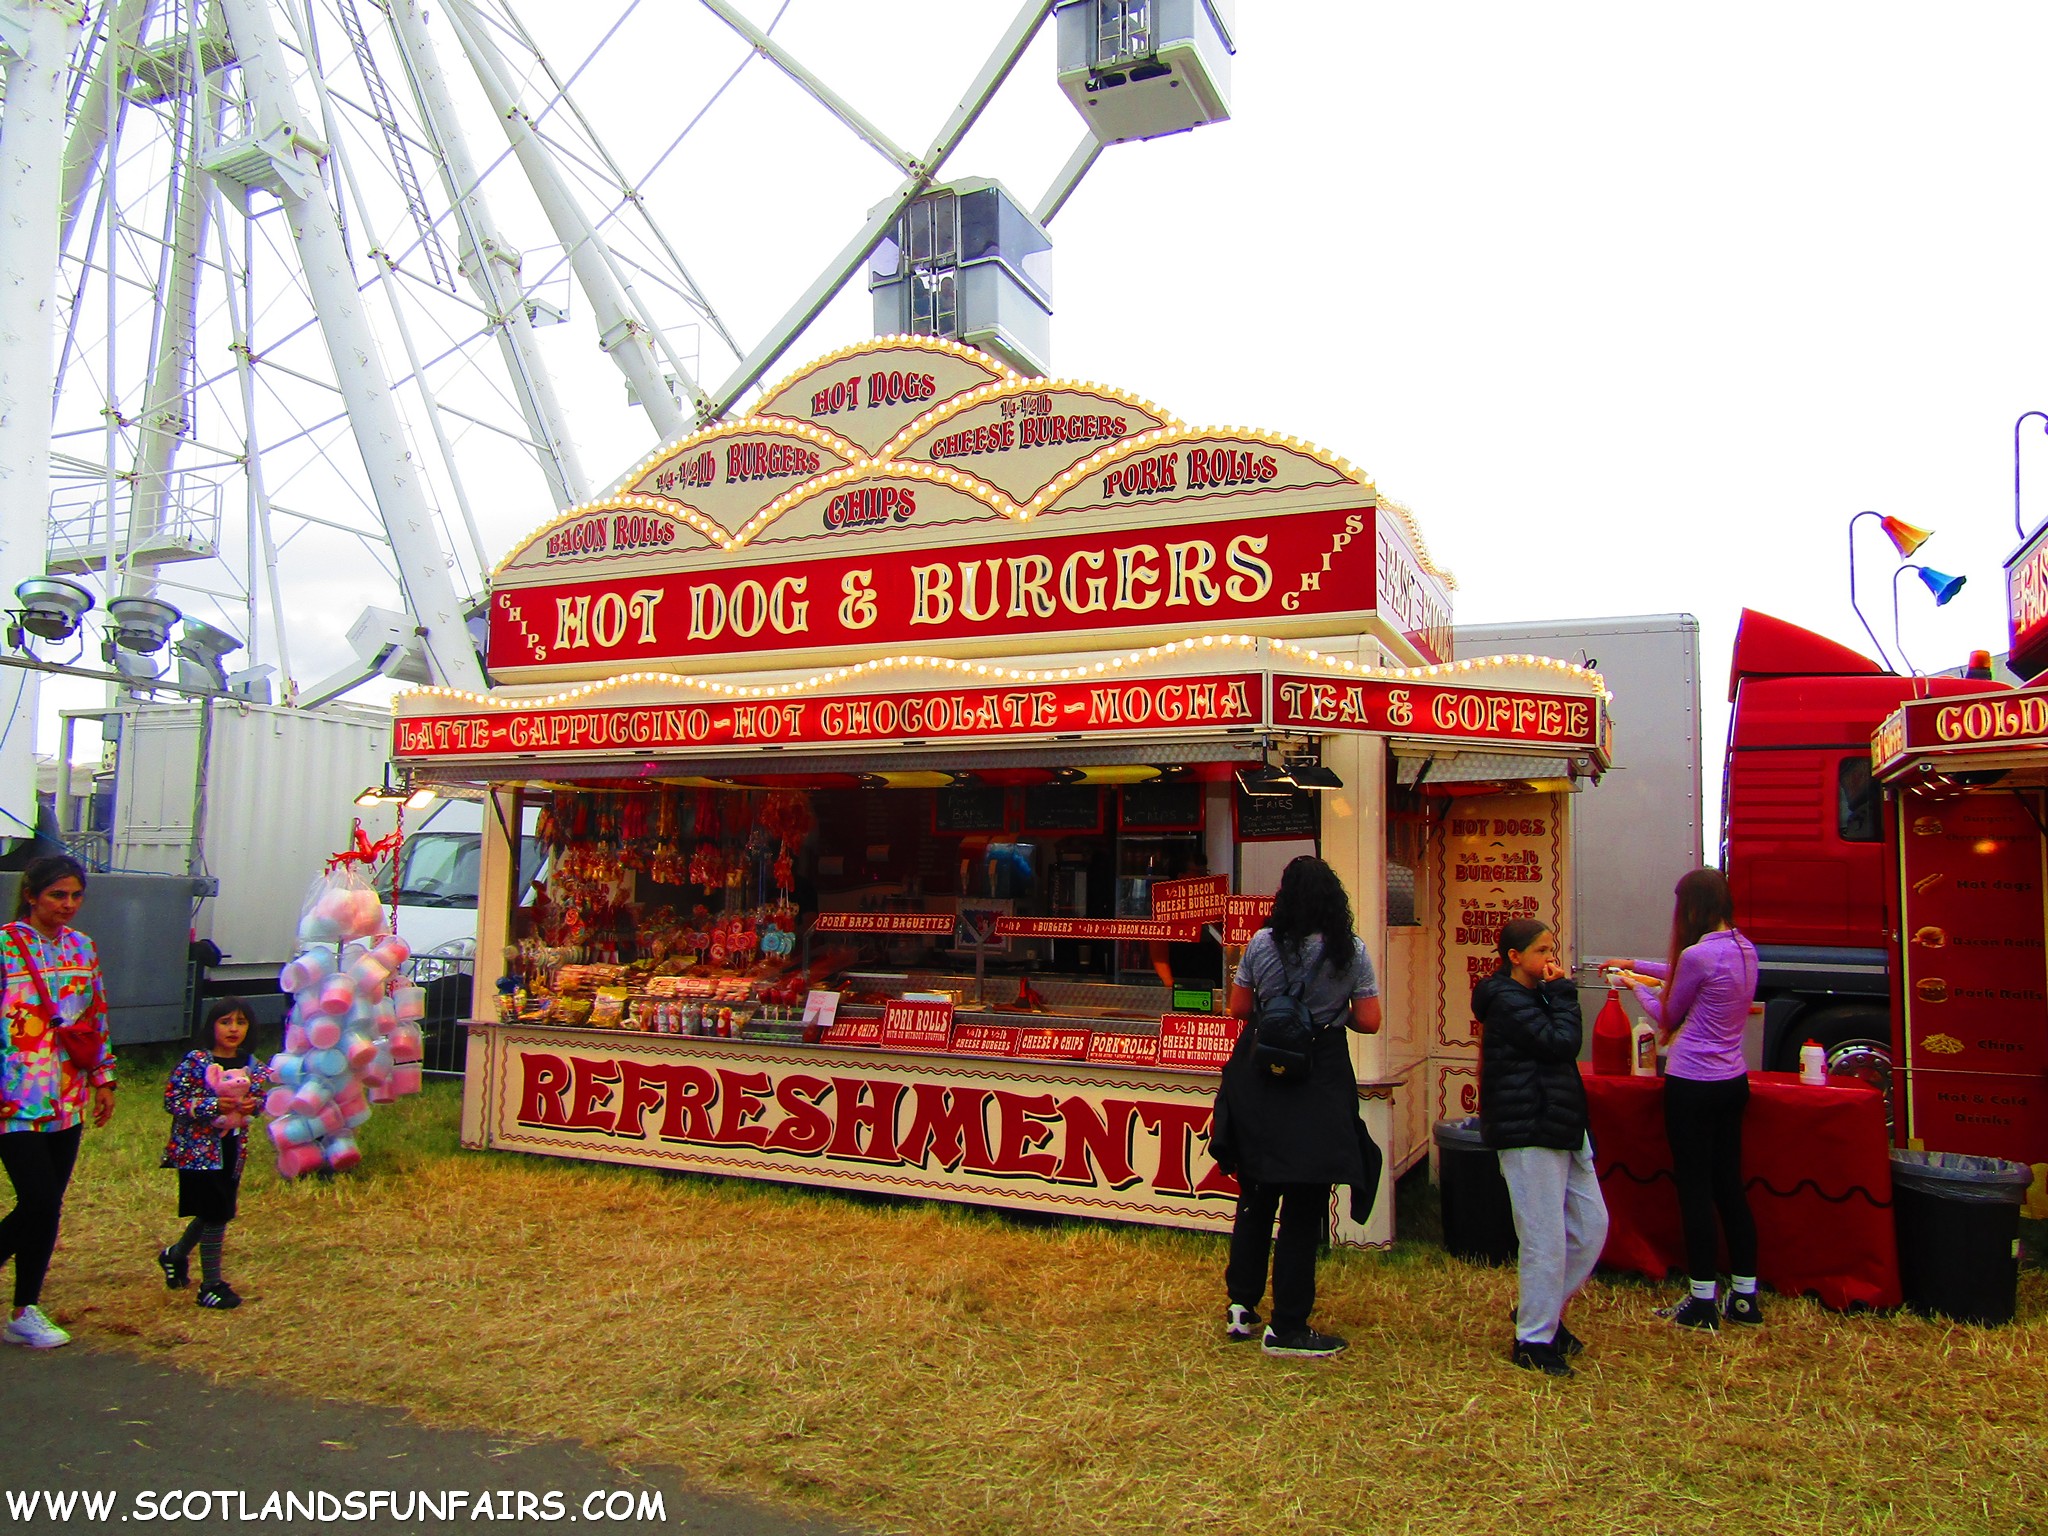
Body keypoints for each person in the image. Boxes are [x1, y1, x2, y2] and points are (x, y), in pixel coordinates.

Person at [1211, 855, 1381, 1359]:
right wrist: (1329, 1015)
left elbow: (1238, 1009)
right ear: (1334, 900)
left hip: (1260, 1078)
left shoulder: (1261, 943)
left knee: (1256, 1192)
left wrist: (1277, 1010)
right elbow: (1369, 1021)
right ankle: (1288, 1325)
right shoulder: (1350, 951)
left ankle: (1241, 1307)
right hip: (1319, 1080)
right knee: (1304, 1204)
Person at [1613, 868, 1762, 1329]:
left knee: (1695, 1189)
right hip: (1732, 1081)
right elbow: (1681, 973)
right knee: (1729, 1187)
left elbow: (1669, 1013)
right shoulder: (1745, 948)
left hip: (1692, 1084)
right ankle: (1744, 1296)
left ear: (1691, 907)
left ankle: (1701, 1299)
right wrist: (1637, 965)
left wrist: (1633, 986)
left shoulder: (1698, 955)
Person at [1475, 917, 1607, 1379]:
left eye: (1553, 949)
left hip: (1559, 1124)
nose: (1551, 959)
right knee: (1544, 1240)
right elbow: (1562, 1043)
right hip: (1528, 1129)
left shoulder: (1533, 995)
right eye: (1542, 951)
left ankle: (1542, 1316)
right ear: (1515, 957)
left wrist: (1555, 994)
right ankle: (1533, 1339)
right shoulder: (1506, 999)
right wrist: (1565, 994)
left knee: (1591, 1227)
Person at [0, 855, 117, 1348]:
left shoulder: (83, 948)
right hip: (12, 1096)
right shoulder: (6, 945)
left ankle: (26, 1308)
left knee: (48, 1209)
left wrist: (103, 1078)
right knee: (38, 1198)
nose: (67, 905)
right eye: (57, 895)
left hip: (67, 1094)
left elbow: (96, 1016)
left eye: (75, 896)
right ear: (31, 895)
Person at [158, 998, 275, 1310]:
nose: (233, 1029)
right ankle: (211, 1285)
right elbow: (173, 1100)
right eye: (225, 1022)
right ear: (212, 1026)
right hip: (198, 1151)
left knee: (219, 1209)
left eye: (240, 1022)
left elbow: (261, 1097)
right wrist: (210, 1106)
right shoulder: (196, 1062)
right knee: (215, 1211)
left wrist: (255, 1106)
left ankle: (175, 1254)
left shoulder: (251, 1064)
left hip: (232, 1149)